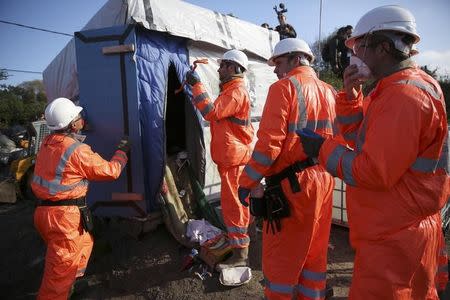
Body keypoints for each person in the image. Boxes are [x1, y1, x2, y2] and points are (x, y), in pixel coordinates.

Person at [297, 5, 449, 299]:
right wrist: (352, 97)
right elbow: (362, 138)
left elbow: (373, 170)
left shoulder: (403, 96)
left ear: (383, 48)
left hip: (395, 237)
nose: (354, 55)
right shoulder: (398, 88)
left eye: (359, 46)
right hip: (402, 228)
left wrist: (322, 149)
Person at [237, 38, 337, 299]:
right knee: (314, 254)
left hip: (292, 187)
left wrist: (247, 181)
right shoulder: (329, 91)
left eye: (278, 62)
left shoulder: (283, 88)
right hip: (324, 180)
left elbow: (269, 145)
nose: (275, 69)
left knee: (282, 259)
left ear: (296, 59)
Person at [32, 97, 130, 299]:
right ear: (72, 123)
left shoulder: (47, 143)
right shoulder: (77, 151)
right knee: (58, 276)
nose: (82, 118)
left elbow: (65, 149)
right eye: (79, 117)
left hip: (45, 214)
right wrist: (122, 151)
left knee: (85, 243)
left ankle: (70, 285)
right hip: (63, 219)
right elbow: (111, 171)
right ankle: (61, 289)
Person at [185, 49, 254, 271]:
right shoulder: (231, 91)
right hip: (232, 159)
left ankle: (241, 254)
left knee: (234, 207)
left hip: (234, 160)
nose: (219, 68)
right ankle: (244, 243)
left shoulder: (235, 93)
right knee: (238, 205)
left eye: (223, 65)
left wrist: (196, 85)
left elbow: (211, 112)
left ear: (235, 68)